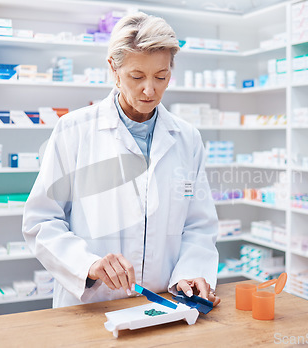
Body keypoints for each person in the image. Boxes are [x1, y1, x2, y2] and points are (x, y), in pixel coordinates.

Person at [22, 12, 220, 308]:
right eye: (137, 77)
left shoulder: (187, 138)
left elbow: (198, 224)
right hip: (94, 304)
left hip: (163, 304)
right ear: (113, 70)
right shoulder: (74, 131)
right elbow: (42, 220)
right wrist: (86, 264)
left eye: (161, 76)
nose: (150, 90)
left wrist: (190, 274)